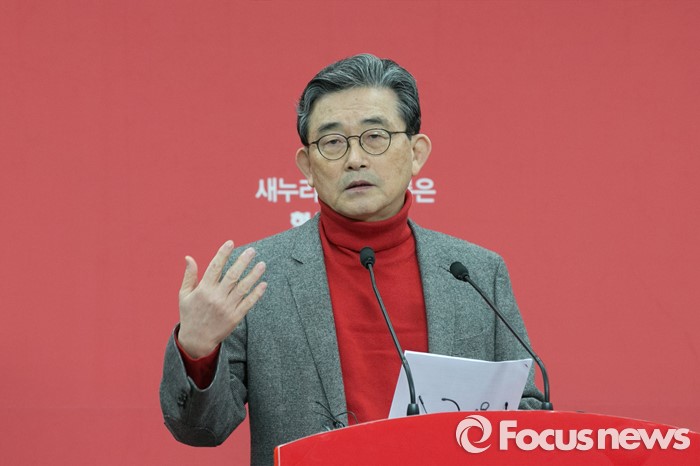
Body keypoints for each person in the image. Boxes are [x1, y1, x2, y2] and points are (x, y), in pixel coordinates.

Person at [160, 53, 545, 465]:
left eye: (375, 136)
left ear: (416, 153)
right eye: (333, 142)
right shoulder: (256, 276)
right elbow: (201, 429)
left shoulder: (476, 273)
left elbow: (524, 409)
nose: (355, 158)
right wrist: (197, 349)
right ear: (307, 166)